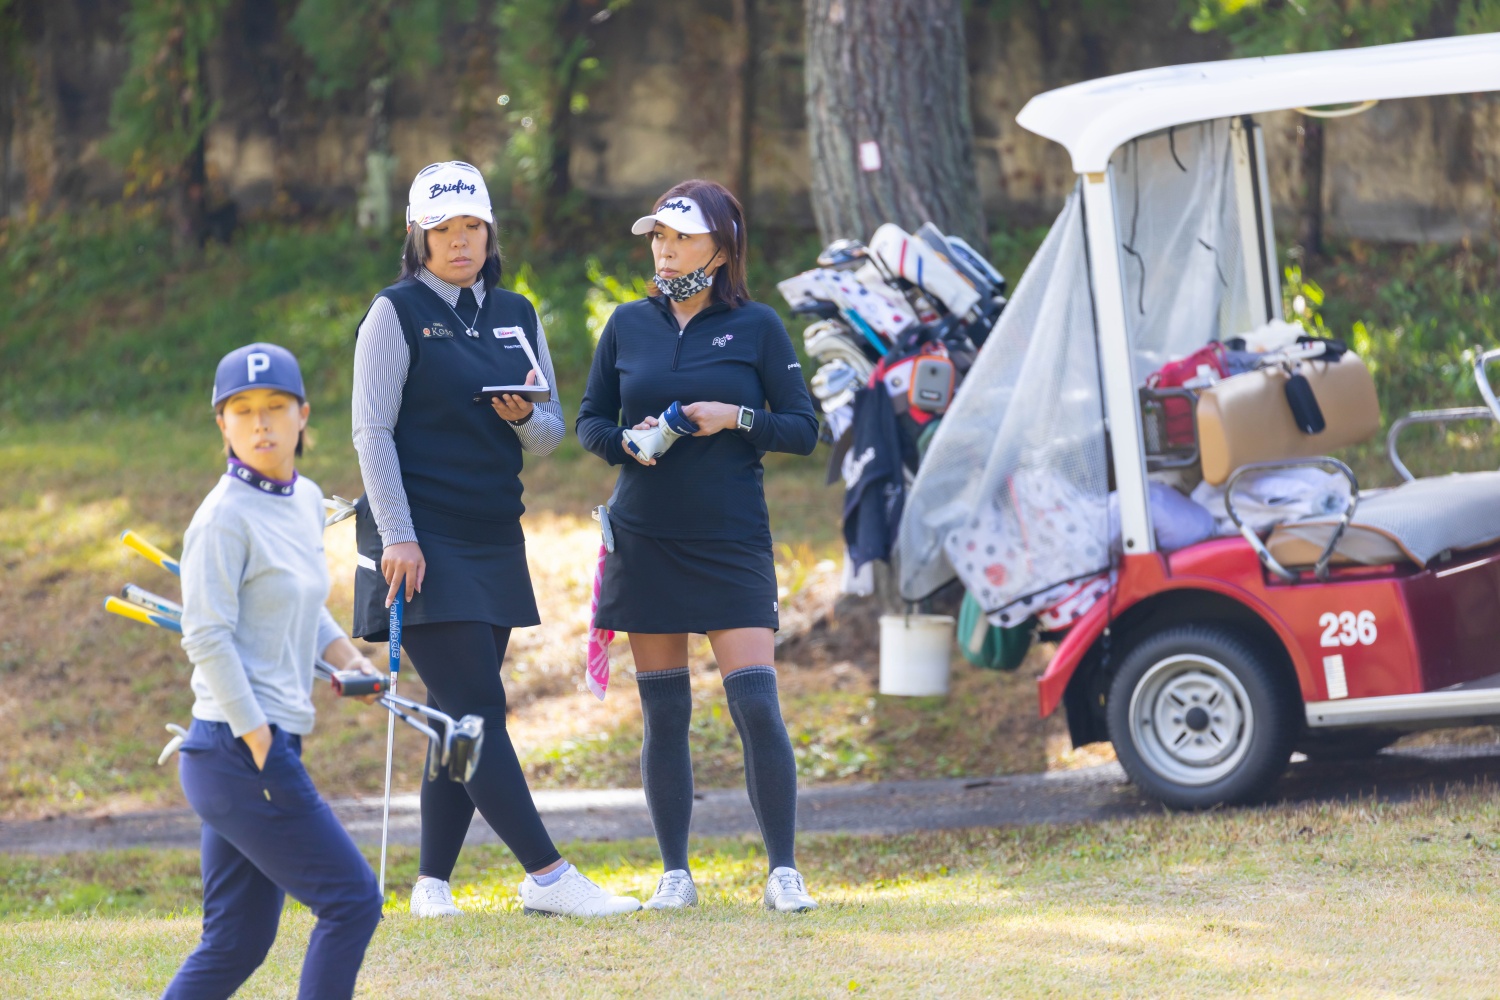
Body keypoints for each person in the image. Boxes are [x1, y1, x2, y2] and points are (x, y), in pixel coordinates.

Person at [351, 160, 639, 918]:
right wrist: (399, 537)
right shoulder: (396, 312)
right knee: (477, 708)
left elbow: (548, 434)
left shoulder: (515, 311)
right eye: (443, 229)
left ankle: (431, 884)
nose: (460, 242)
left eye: (472, 227)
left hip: (491, 535)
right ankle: (547, 875)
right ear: (416, 235)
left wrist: (522, 417)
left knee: (458, 713)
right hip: (418, 540)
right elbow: (371, 433)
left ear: (489, 232)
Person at [576, 179, 821, 912]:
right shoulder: (627, 323)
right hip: (644, 535)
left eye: (682, 237)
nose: (666, 249)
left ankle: (784, 872)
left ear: (721, 246)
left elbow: (802, 429)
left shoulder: (758, 326)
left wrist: (735, 416)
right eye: (659, 236)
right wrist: (623, 443)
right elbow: (591, 420)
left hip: (731, 539)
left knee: (755, 703)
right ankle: (675, 874)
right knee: (665, 712)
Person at [164, 343, 383, 1000]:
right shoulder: (221, 518)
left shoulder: (305, 498)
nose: (261, 424)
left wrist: (349, 661)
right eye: (243, 411)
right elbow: (206, 636)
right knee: (352, 902)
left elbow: (301, 602)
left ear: (302, 415)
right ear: (222, 424)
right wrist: (260, 741)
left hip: (259, 750)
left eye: (275, 407)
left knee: (236, 942)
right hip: (237, 751)